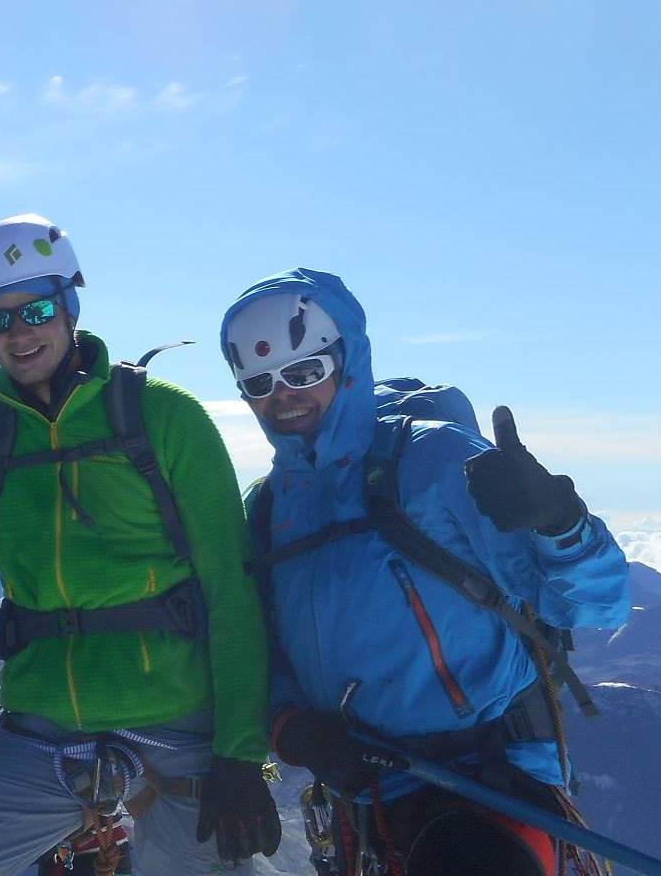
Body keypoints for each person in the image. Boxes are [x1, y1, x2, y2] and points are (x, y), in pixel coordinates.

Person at [0, 214, 281, 876]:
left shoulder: (166, 416)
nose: (19, 332)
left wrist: (239, 753)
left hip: (175, 719)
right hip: (43, 727)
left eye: (35, 309)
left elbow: (232, 588)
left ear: (69, 304)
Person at [221, 269, 630, 876]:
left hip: (492, 775)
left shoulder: (433, 461)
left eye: (304, 373)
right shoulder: (269, 509)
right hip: (366, 790)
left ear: (346, 362)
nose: (283, 396)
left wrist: (560, 524)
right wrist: (293, 727)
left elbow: (598, 605)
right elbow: (272, 652)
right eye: (260, 383)